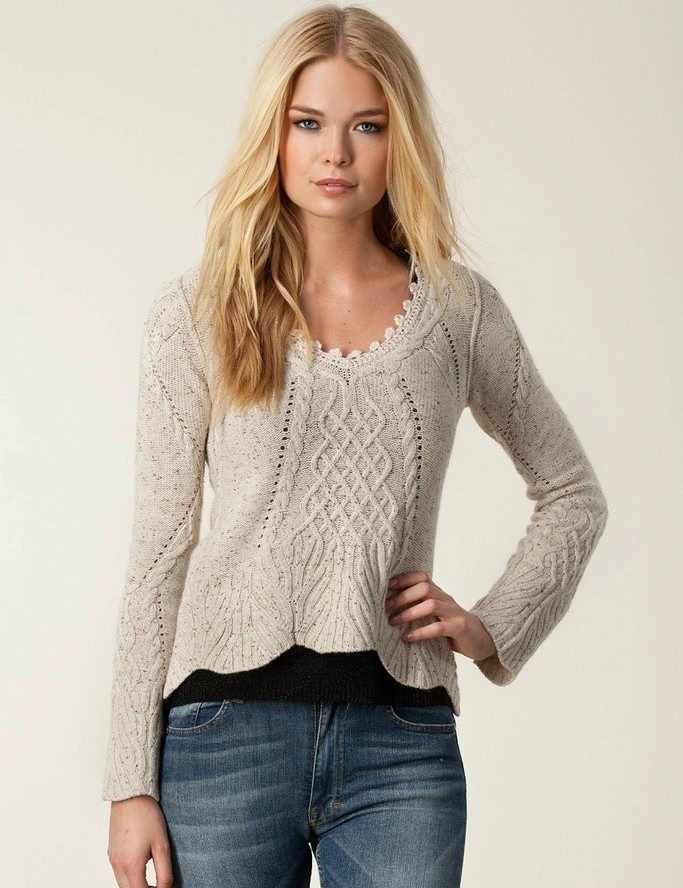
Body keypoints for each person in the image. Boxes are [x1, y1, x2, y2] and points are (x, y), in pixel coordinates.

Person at [102, 5, 609, 887]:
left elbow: (572, 493)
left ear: (397, 139)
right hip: (222, 739)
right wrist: (128, 783)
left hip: (400, 745)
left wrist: (490, 627)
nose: (334, 153)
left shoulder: (457, 311)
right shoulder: (196, 311)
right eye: (308, 123)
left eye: (365, 126)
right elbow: (158, 555)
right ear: (274, 133)